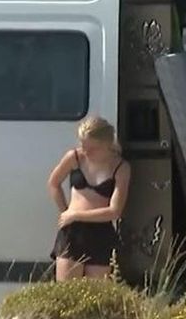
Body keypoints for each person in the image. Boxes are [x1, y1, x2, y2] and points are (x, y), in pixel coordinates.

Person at [47, 117, 132, 281]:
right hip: (72, 230)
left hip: (100, 231)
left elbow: (115, 211)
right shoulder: (75, 157)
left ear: (107, 144)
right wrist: (65, 211)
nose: (86, 151)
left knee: (95, 290)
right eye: (83, 145)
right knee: (67, 290)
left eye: (92, 148)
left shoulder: (121, 167)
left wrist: (77, 215)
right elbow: (54, 183)